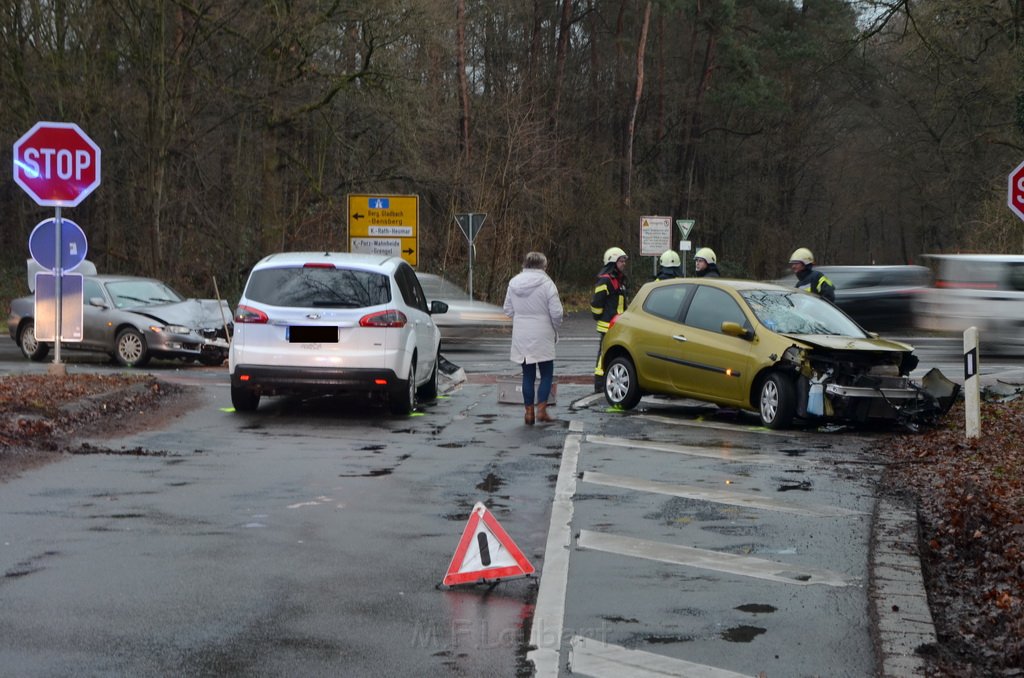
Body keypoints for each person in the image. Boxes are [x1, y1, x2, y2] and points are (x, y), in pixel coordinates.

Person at [503, 251, 564, 425]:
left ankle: (528, 413)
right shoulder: (547, 284)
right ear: (543, 266)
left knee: (527, 375)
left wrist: (521, 315)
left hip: (521, 334)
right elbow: (557, 312)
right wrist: (555, 326)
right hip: (542, 334)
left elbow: (507, 310)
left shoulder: (513, 283)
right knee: (546, 373)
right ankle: (542, 411)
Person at [590, 246, 628, 392]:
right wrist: (599, 316)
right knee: (603, 356)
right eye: (621, 261)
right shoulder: (605, 281)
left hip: (618, 324)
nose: (624, 263)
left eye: (624, 261)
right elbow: (596, 303)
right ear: (613, 261)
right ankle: (599, 385)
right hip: (607, 324)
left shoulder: (619, 280)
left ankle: (608, 382)